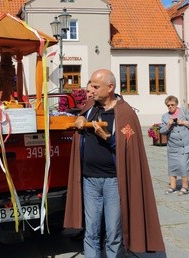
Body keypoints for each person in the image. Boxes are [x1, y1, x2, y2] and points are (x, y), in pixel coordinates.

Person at [64, 69, 165, 257]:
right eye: (90, 86)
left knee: (113, 233)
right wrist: (78, 117)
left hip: (113, 181)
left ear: (110, 87)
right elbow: (79, 119)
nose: (90, 90)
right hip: (89, 180)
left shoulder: (125, 113)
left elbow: (130, 149)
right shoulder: (90, 108)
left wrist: (108, 138)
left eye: (95, 86)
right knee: (91, 231)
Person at [159, 95, 189, 196]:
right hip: (173, 146)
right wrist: (168, 125)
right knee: (172, 167)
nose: (170, 107)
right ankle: (172, 186)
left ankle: (185, 187)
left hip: (186, 145)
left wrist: (183, 122)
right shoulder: (165, 116)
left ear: (176, 104)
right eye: (168, 105)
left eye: (172, 105)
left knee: (183, 165)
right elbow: (162, 131)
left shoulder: (184, 111)